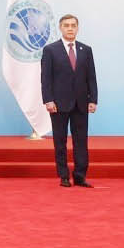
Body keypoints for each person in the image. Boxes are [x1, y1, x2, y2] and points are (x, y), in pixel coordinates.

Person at [41, 14, 98, 188]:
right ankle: (64, 175)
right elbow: (45, 78)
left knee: (81, 141)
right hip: (58, 104)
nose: (70, 28)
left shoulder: (86, 50)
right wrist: (48, 100)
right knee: (60, 142)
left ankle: (80, 176)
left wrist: (93, 99)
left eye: (73, 25)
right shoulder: (50, 50)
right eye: (66, 25)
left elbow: (91, 77)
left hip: (81, 103)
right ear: (61, 28)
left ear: (77, 28)